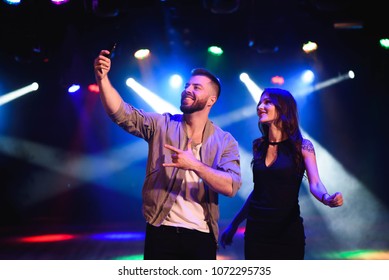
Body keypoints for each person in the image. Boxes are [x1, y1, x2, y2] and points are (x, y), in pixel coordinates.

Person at [93, 48, 242, 260]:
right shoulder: (162, 124)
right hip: (161, 231)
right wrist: (103, 79)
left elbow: (231, 186)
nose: (188, 90)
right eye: (187, 86)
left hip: (201, 236)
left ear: (211, 100)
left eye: (196, 87)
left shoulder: (225, 141)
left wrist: (195, 165)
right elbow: (121, 114)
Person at [220, 87, 343, 260]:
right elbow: (259, 191)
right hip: (257, 231)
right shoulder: (259, 146)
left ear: (283, 108)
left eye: (267, 102)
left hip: (287, 231)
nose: (260, 106)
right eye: (260, 102)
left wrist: (326, 198)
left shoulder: (303, 146)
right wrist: (234, 224)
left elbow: (315, 183)